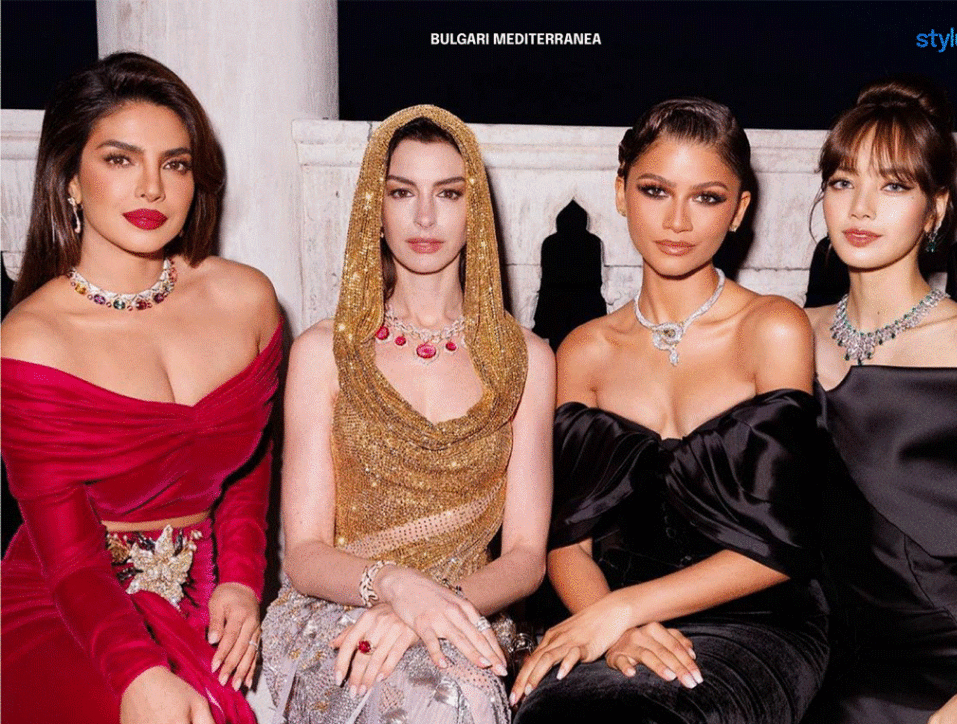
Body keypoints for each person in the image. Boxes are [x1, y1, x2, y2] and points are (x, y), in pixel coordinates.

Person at [510, 98, 828, 723]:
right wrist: (614, 626)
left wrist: (623, 611)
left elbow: (780, 544)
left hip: (759, 612)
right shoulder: (585, 350)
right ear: (621, 192)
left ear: (739, 211)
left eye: (707, 198)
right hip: (610, 612)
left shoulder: (773, 328)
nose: (678, 220)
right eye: (655, 190)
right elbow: (567, 543)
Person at [0, 53, 281, 724]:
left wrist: (242, 580)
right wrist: (138, 674)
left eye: (175, 164)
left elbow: (249, 457)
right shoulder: (31, 341)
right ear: (71, 179)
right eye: (120, 160)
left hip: (201, 590)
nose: (152, 188)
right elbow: (71, 561)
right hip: (69, 606)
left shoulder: (246, 299)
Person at [261, 105, 554, 724]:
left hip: (468, 607)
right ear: (375, 205)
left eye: (448, 193)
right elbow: (305, 553)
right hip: (336, 609)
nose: (425, 217)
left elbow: (527, 557)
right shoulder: (324, 353)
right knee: (436, 694)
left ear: (476, 210)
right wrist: (397, 587)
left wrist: (433, 606)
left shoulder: (526, 358)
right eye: (402, 192)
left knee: (457, 690)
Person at [803, 78, 957, 724]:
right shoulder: (787, 335)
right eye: (843, 181)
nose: (860, 207)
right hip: (822, 668)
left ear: (935, 210)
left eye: (894, 186)